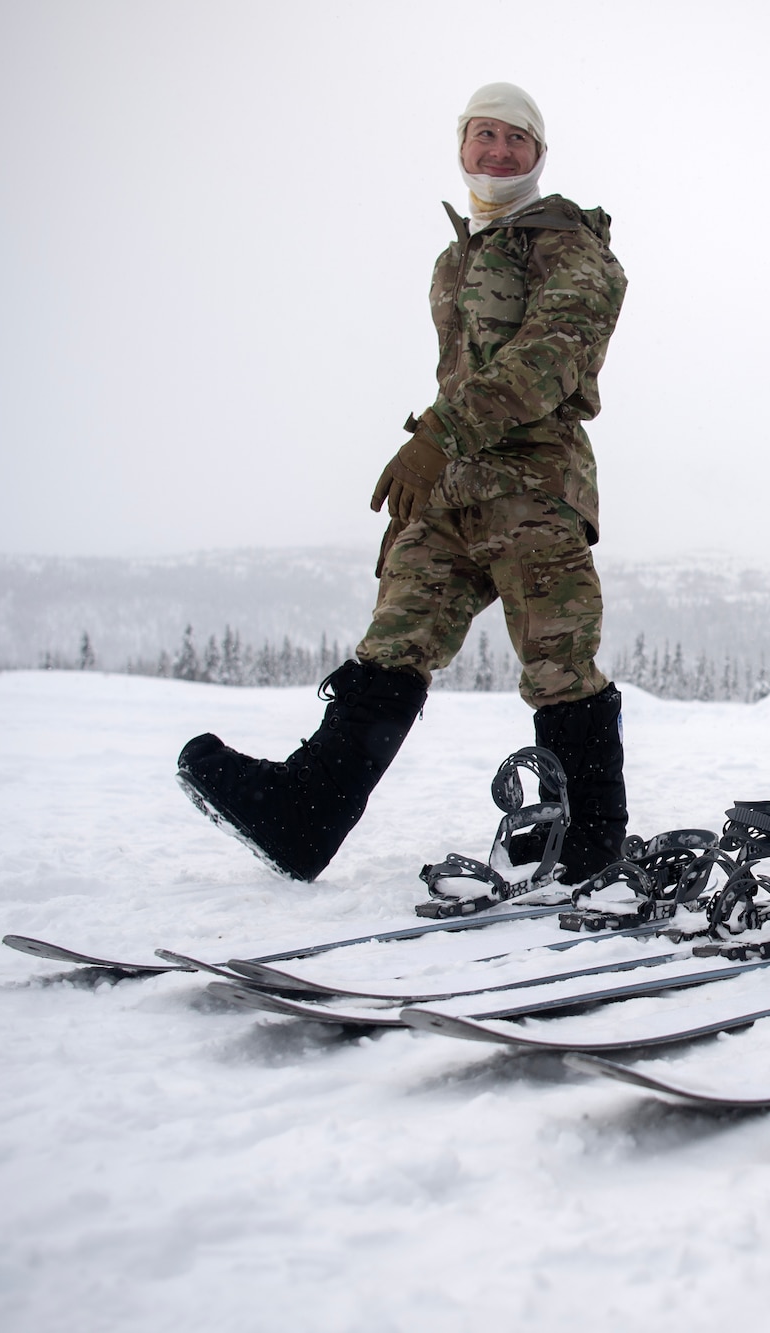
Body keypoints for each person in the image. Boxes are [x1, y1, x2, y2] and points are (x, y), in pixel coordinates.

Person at [176, 81, 629, 884]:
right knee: (394, 642)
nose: (497, 150)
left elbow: (552, 357)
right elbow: (464, 374)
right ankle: (302, 814)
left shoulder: (567, 242)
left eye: (514, 138)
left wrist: (437, 436)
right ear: (461, 148)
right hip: (455, 489)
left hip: (531, 488)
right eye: (482, 135)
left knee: (558, 664)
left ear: (538, 154)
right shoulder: (454, 258)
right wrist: (434, 456)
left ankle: (588, 841)